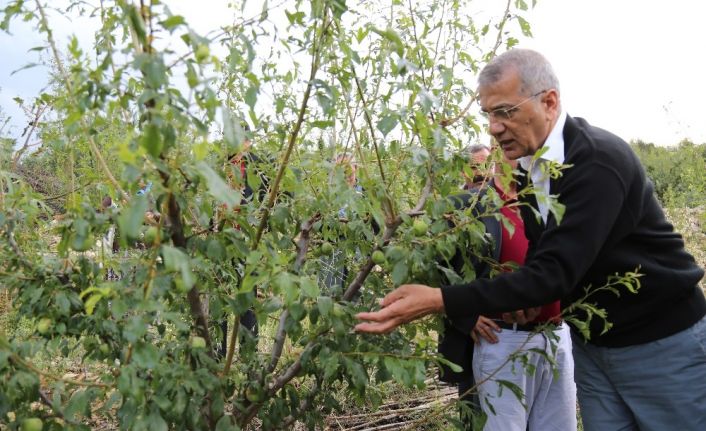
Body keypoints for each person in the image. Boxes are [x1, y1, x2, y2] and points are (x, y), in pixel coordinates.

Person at [356, 49, 706, 431]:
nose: (493, 127)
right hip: (594, 348)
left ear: (549, 102)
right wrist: (531, 298)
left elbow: (555, 273)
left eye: (504, 111)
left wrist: (439, 300)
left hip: (662, 345)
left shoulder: (596, 162)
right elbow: (546, 251)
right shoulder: (531, 169)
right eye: (487, 114)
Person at [441, 152, 575, 430]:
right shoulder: (471, 205)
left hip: (556, 335)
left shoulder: (549, 198)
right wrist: (465, 316)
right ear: (499, 153)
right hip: (502, 338)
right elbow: (437, 264)